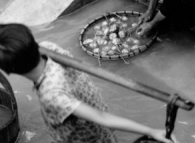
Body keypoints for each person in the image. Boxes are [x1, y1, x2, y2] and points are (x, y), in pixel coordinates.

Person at [0, 23, 176, 143]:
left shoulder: (51, 95)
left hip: (85, 138)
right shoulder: (48, 48)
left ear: (10, 71)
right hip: (94, 115)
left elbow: (102, 119)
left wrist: (151, 131)